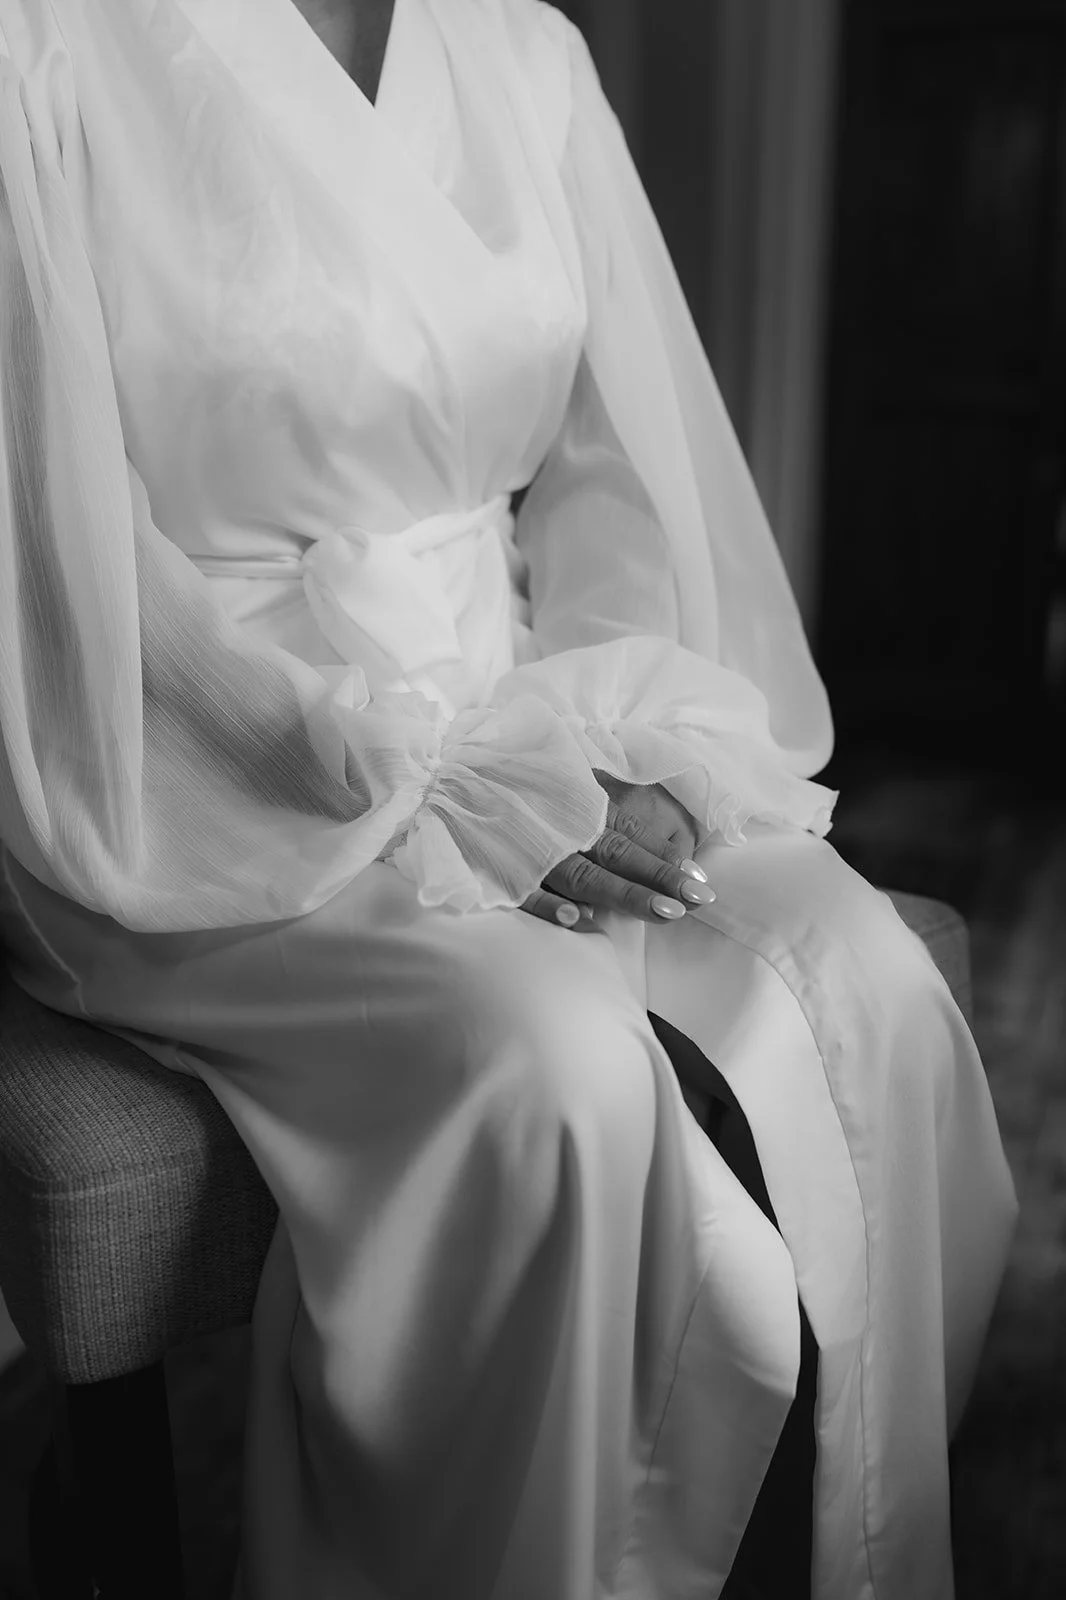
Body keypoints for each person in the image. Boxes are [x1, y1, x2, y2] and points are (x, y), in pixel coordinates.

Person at [0, 2, 1017, 1596]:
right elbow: (52, 554)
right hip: (188, 772)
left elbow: (627, 461)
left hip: (518, 696)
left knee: (866, 979)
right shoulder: (42, 48)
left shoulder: (524, 48)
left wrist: (623, 728)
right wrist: (425, 780)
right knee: (556, 1074)